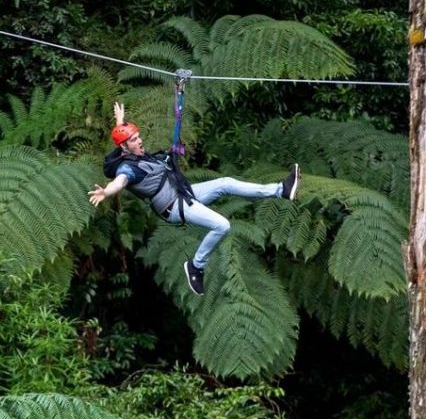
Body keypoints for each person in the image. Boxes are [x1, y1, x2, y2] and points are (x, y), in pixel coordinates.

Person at [88, 102, 300, 296]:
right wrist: (107, 192)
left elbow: (121, 143)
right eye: (134, 140)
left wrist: (119, 123)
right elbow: (120, 182)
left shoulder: (131, 152)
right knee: (222, 225)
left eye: (138, 136)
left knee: (225, 182)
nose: (140, 140)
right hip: (174, 207)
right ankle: (196, 266)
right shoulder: (126, 169)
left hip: (182, 193)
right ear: (125, 148)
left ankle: (281, 190)